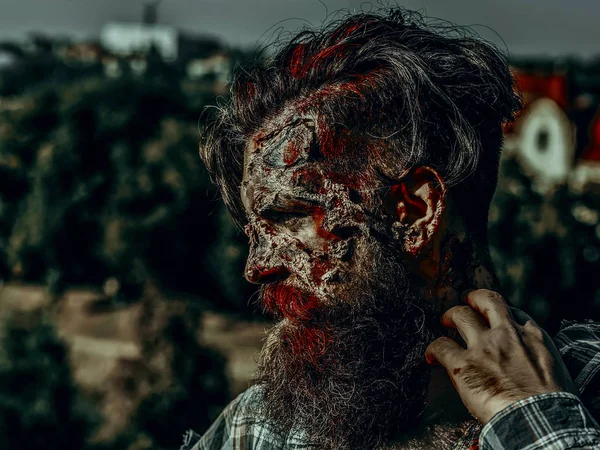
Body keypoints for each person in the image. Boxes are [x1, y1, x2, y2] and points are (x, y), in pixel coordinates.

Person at [183, 8, 600, 450]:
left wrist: (531, 419)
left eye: (288, 215)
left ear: (415, 212)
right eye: (254, 231)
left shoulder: (589, 391)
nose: (256, 266)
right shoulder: (261, 428)